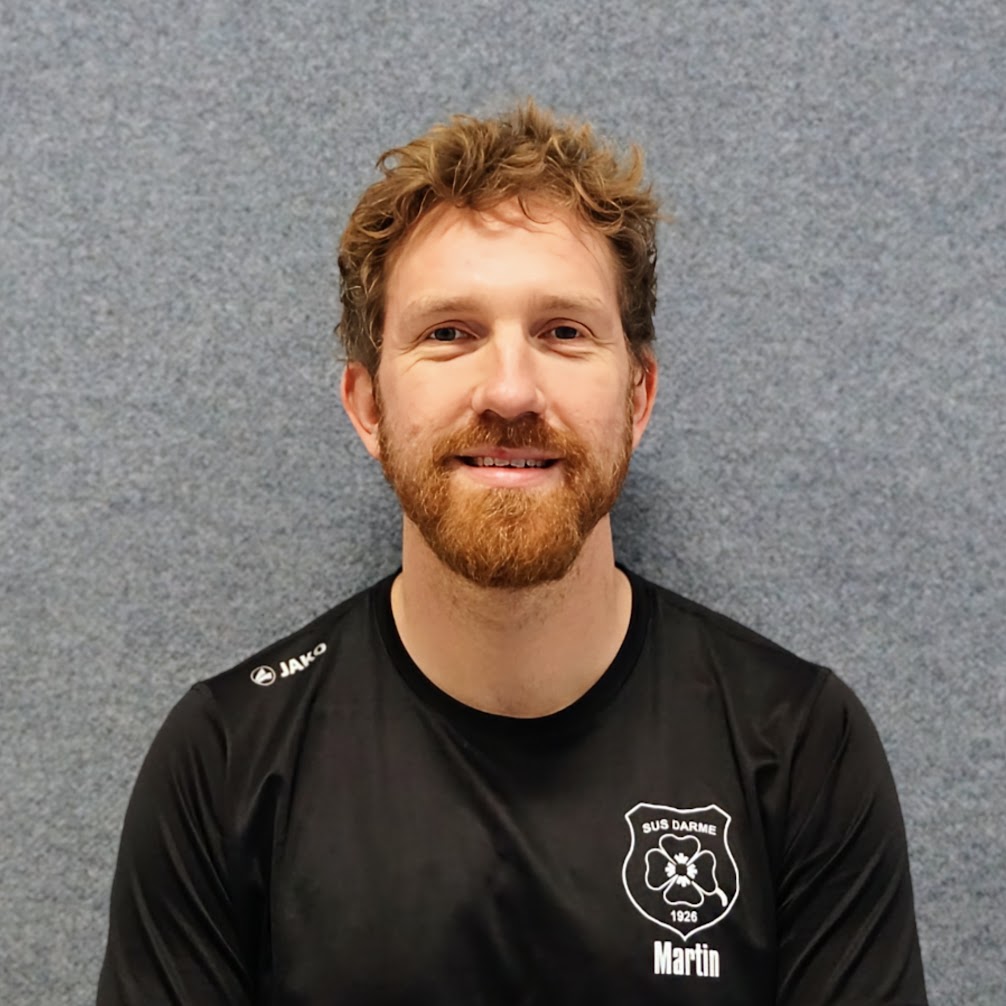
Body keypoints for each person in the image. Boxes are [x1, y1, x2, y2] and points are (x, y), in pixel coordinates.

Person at [97, 101, 928, 1005]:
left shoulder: (800, 747)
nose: (509, 390)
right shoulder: (225, 761)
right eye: (449, 333)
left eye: (562, 331)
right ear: (369, 407)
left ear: (638, 398)